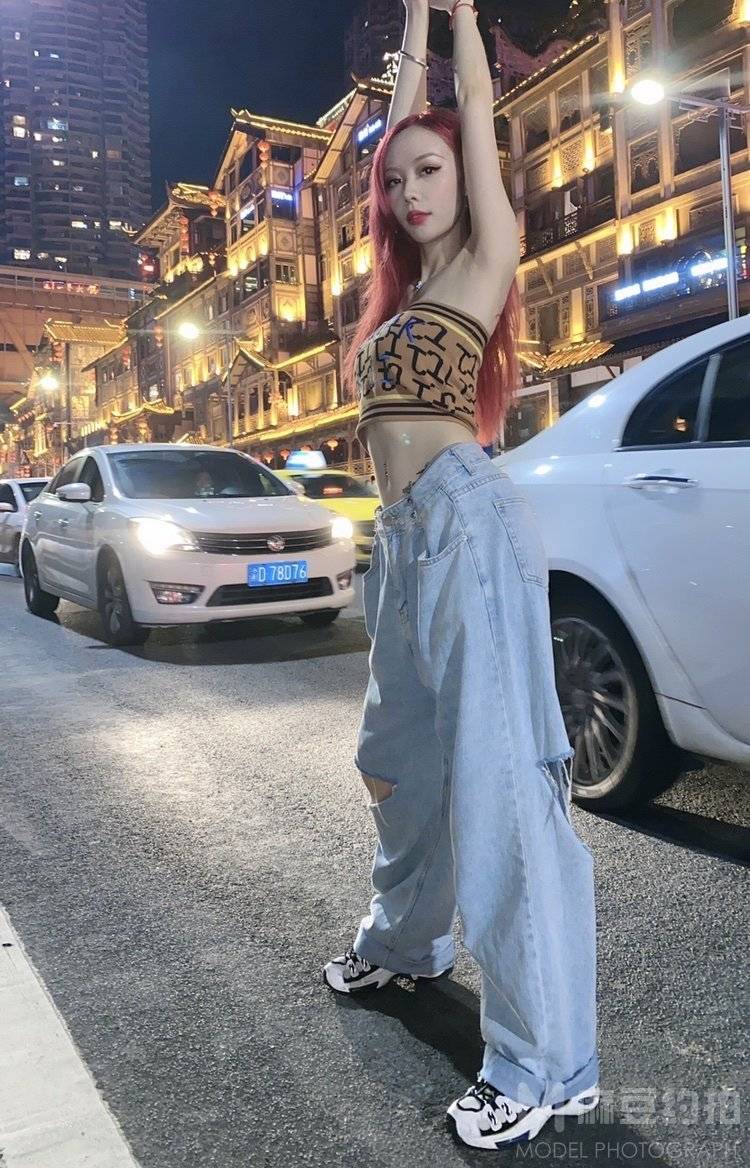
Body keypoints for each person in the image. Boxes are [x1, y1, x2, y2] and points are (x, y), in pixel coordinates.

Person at [322, 0, 599, 1151]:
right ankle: (404, 942)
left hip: (467, 530)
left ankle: (546, 1063)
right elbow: (394, 136)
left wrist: (457, 17)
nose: (409, 190)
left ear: (467, 179)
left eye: (430, 171)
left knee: (499, 791)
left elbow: (471, 104)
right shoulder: (394, 301)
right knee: (398, 764)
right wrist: (407, 35)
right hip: (403, 545)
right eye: (397, 181)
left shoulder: (487, 266)